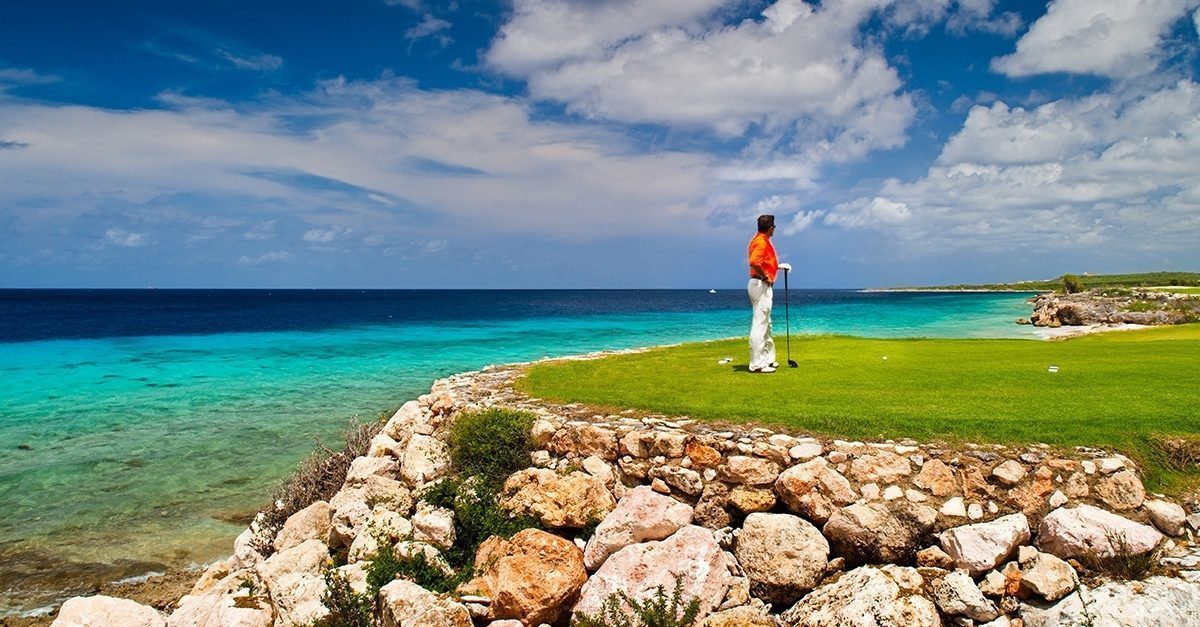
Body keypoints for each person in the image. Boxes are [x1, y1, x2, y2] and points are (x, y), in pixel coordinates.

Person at [747, 214, 791, 373]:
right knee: (760, 324)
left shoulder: (760, 240)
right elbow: (754, 262)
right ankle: (757, 364)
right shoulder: (761, 242)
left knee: (767, 324)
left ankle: (767, 359)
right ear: (771, 227)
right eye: (774, 226)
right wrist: (766, 276)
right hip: (760, 284)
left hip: (761, 283)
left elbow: (764, 263)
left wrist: (778, 267)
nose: (775, 229)